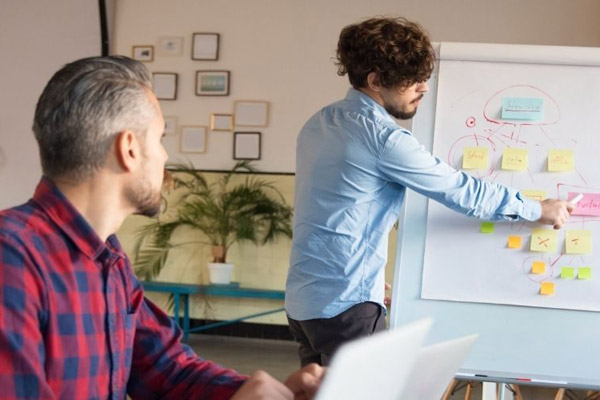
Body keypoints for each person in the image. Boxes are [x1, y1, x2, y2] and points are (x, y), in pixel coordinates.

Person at [0, 56, 323, 399]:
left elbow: (166, 369)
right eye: (160, 138)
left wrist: (267, 393)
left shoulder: (109, 258)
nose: (165, 156)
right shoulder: (11, 259)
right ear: (129, 149)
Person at [285, 16, 574, 367]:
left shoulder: (318, 123)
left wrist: (367, 279)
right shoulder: (383, 139)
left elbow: (333, 212)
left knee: (315, 390)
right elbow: (461, 191)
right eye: (410, 80)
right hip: (346, 308)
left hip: (303, 303)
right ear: (375, 80)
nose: (423, 88)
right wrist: (537, 209)